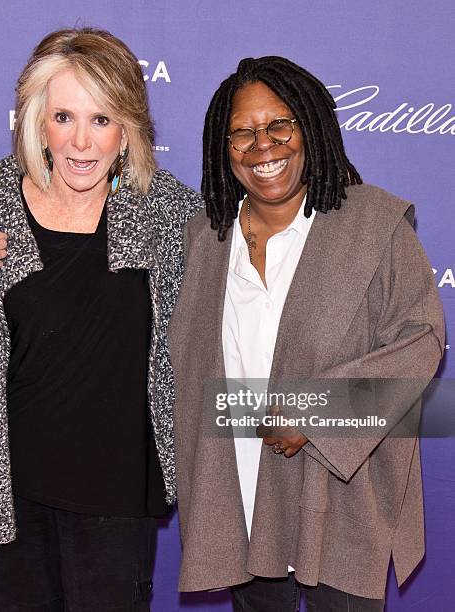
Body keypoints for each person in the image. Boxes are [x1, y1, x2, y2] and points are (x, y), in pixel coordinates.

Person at [0, 28, 202, 611]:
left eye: (101, 119)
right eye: (64, 116)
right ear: (37, 123)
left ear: (128, 130)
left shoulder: (168, 212)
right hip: (7, 495)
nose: (81, 142)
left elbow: (230, 324)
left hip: (118, 499)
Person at [168, 56, 444, 611]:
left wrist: (316, 413)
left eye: (280, 125)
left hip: (339, 496)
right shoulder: (204, 238)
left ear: (311, 127)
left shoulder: (374, 223)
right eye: (241, 133)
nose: (262, 146)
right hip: (240, 494)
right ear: (223, 148)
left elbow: (420, 340)